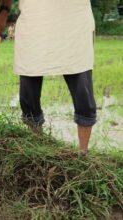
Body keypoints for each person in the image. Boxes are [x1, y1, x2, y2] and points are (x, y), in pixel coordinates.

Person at [14, 0, 96, 154]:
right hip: (34, 27)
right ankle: (37, 144)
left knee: (82, 91)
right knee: (28, 90)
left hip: (74, 28)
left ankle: (83, 152)